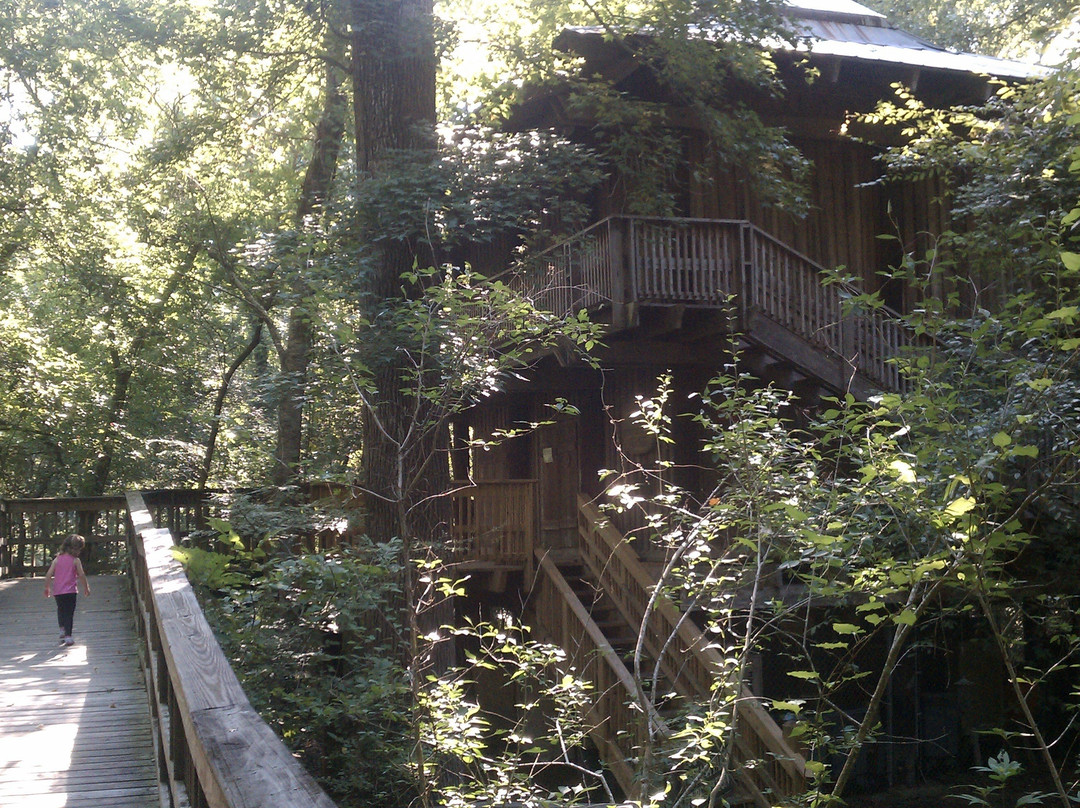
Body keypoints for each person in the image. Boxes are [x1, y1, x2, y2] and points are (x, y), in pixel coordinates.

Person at [44, 534, 91, 646]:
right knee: (69, 613)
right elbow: (81, 575)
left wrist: (47, 587)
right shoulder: (76, 560)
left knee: (61, 609)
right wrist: (86, 587)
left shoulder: (57, 559)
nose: (79, 552)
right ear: (74, 549)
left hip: (58, 591)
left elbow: (49, 574)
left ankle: (62, 629)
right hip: (70, 592)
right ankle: (68, 636)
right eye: (79, 549)